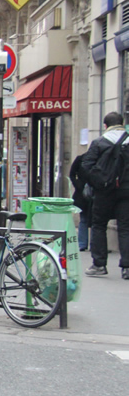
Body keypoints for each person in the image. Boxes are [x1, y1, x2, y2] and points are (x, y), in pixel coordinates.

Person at [80, 112, 129, 278]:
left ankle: (99, 264)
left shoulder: (100, 142)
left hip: (104, 191)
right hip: (126, 191)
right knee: (125, 227)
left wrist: (97, 183)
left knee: (99, 225)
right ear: (122, 124)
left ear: (106, 126)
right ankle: (127, 267)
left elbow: (86, 166)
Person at [69, 153, 93, 253]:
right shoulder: (81, 158)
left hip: (95, 193)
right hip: (82, 194)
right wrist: (78, 185)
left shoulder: (96, 158)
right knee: (84, 218)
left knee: (94, 221)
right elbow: (72, 174)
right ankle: (82, 244)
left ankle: (91, 244)